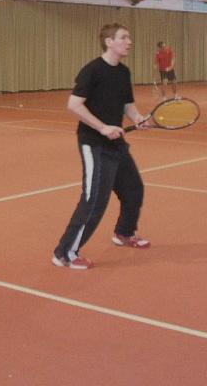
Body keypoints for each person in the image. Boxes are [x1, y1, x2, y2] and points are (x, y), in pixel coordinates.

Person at [52, 23, 151, 270]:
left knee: (133, 189)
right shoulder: (92, 70)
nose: (129, 42)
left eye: (129, 37)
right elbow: (74, 105)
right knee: (94, 199)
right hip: (94, 144)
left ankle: (124, 232)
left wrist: (137, 118)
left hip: (116, 143)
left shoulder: (123, 72)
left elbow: (127, 104)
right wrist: (102, 127)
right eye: (123, 37)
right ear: (109, 42)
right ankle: (64, 253)